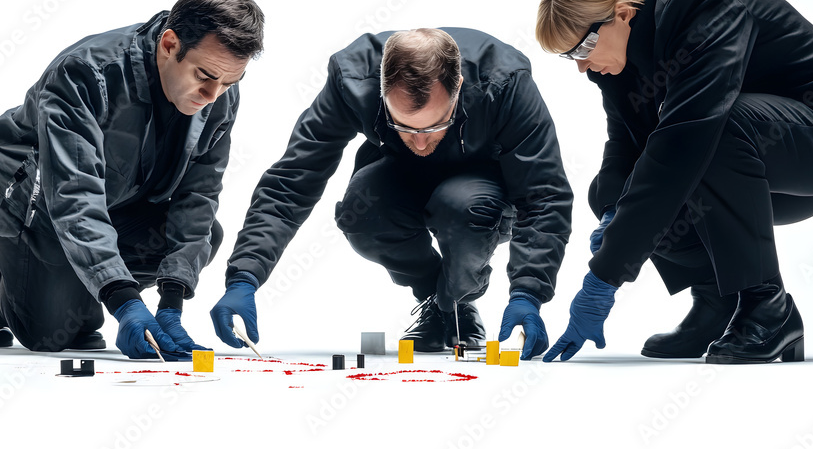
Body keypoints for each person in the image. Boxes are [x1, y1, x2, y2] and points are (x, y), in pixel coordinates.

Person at [535, 0, 813, 364]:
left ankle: (767, 307)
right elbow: (626, 143)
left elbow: (685, 141)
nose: (581, 67)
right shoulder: (616, 57)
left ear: (621, 14)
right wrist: (616, 214)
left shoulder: (703, 2)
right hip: (745, 158)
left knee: (713, 131)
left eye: (582, 49)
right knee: (609, 192)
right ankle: (718, 303)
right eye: (569, 57)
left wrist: (604, 277)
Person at [210, 28, 572, 359]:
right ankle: (439, 299)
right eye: (403, 125)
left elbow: (544, 194)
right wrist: (245, 276)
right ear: (380, 91)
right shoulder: (353, 78)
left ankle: (453, 302)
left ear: (458, 86)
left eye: (435, 124)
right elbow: (294, 179)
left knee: (463, 207)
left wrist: (528, 293)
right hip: (400, 175)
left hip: (481, 187)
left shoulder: (505, 82)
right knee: (360, 210)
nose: (419, 140)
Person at [0, 0, 265, 359]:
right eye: (204, 76)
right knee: (47, 336)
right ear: (170, 44)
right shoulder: (86, 73)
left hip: (115, 201)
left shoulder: (220, 92)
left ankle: (70, 289)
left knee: (208, 233)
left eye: (229, 82)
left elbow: (198, 196)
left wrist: (171, 302)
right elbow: (74, 196)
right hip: (33, 192)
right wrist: (123, 301)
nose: (213, 96)